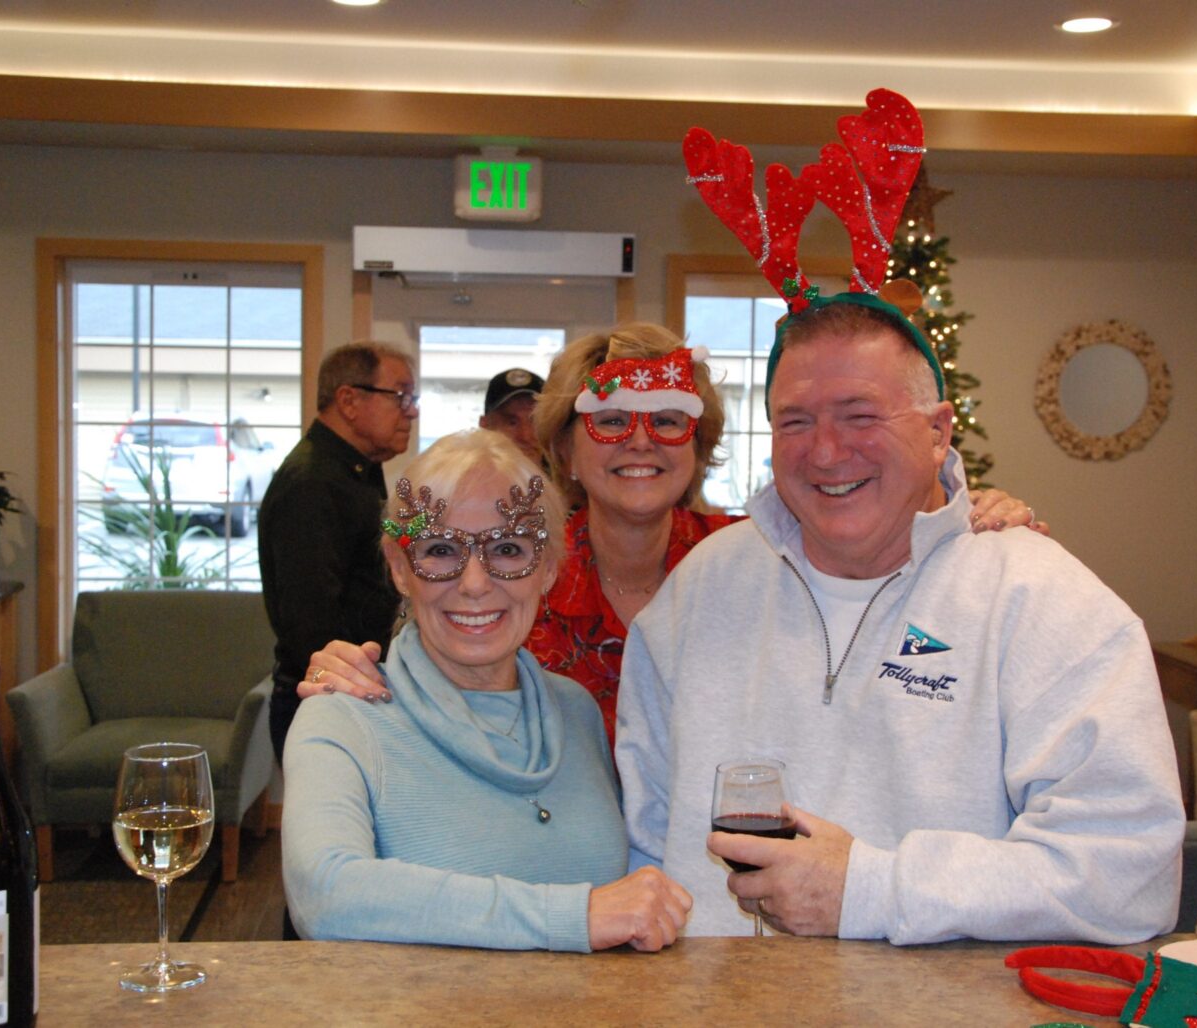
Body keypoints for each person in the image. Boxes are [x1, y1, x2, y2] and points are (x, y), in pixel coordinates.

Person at [613, 296, 1185, 944]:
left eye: (859, 416)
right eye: (795, 422)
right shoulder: (702, 591)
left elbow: (1129, 877)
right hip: (710, 995)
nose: (825, 452)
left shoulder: (1044, 603)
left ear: (938, 432)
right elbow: (645, 846)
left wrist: (870, 890)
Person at [301, 325, 1039, 742]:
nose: (640, 442)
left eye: (666, 421)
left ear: (698, 443)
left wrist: (967, 511)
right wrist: (354, 673)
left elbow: (880, 553)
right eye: (610, 421)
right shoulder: (513, 570)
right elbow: (428, 661)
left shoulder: (771, 558)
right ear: (565, 448)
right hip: (554, 871)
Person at [282, 430, 690, 951]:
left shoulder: (575, 712)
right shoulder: (343, 715)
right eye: (440, 550)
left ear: (548, 569)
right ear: (400, 568)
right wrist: (570, 915)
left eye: (507, 549)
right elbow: (324, 894)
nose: (474, 583)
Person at [258, 342, 417, 761]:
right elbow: (310, 622)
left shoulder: (356, 472)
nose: (412, 411)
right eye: (401, 396)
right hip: (329, 700)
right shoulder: (313, 483)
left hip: (357, 693)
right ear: (349, 401)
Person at [478, 367, 545, 464]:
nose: (525, 436)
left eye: (534, 422)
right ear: (485, 425)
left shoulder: (564, 471)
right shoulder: (464, 471)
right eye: (512, 423)